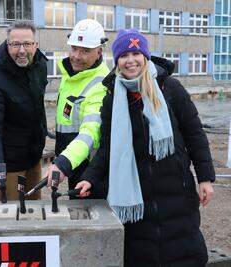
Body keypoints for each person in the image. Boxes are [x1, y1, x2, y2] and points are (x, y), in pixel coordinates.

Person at [76, 29, 215, 266]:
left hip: (177, 192)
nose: (130, 60)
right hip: (136, 196)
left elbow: (195, 135)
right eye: (124, 55)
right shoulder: (112, 98)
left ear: (145, 56)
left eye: (135, 53)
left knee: (184, 253)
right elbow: (108, 146)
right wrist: (89, 177)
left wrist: (205, 178)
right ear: (117, 60)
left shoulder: (171, 89)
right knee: (142, 255)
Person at [0, 22, 48, 200]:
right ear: (7, 45)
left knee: (34, 210)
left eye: (27, 44)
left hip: (34, 157)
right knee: (12, 215)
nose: (22, 50)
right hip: (9, 165)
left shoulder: (40, 66)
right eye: (15, 44)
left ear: (36, 45)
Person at [45, 19, 110, 198]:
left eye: (85, 51)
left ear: (99, 52)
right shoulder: (72, 74)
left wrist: (63, 162)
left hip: (91, 170)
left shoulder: (101, 84)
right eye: (74, 48)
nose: (77, 56)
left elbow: (90, 132)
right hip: (73, 163)